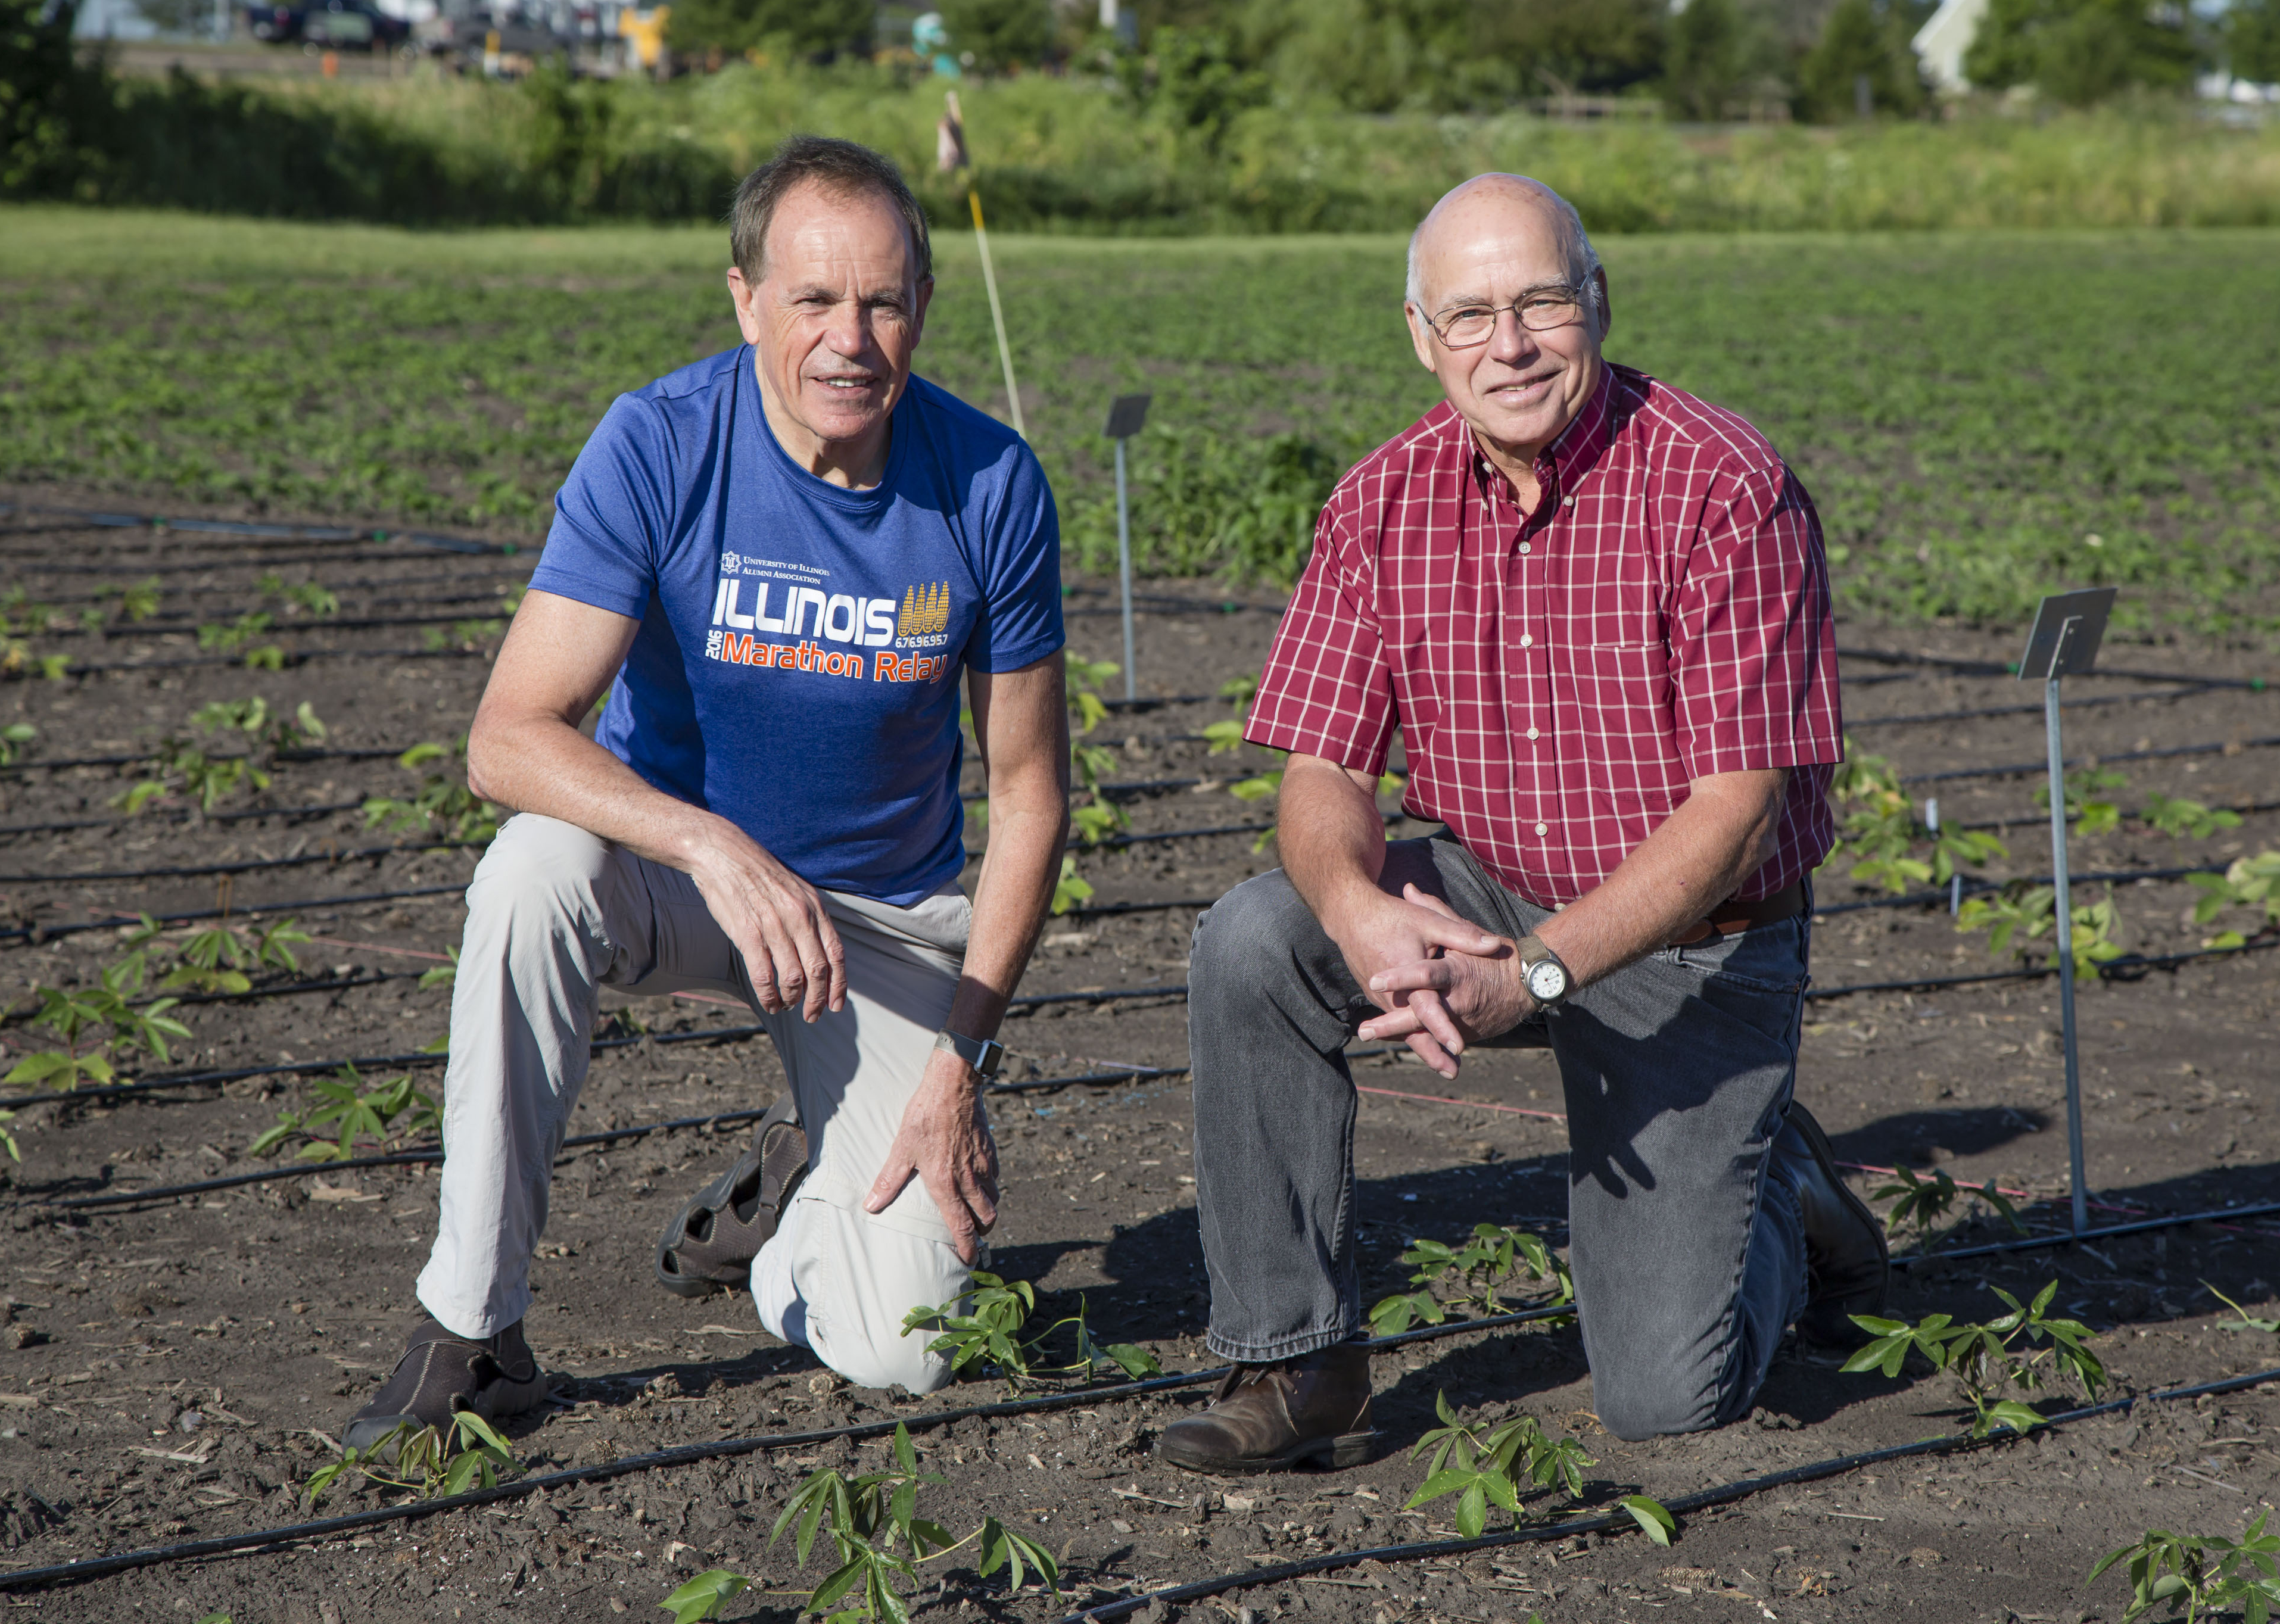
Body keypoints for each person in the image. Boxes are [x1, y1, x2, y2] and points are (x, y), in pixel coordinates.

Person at [341, 136, 1070, 1454]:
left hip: (884, 922)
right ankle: (475, 1325)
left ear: (923, 307)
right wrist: (710, 842)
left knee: (903, 1349)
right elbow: (508, 735)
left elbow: (1028, 798)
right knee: (529, 872)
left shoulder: (991, 483)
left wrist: (960, 1058)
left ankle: (791, 1212)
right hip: (684, 882)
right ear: (744, 300)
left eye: (885, 301)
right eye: (812, 299)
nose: (851, 338)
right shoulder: (663, 439)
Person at [1154, 173, 1886, 1473]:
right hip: (1493, 884)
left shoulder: (1724, 486)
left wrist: (1540, 970)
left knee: (1667, 1396)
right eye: (1472, 313)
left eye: (1543, 301)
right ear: (1420, 334)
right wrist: (1359, 905)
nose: (1512, 344)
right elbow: (1323, 768)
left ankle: (1780, 1178)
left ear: (1595, 300)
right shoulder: (1379, 502)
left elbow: (1735, 808)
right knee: (1255, 939)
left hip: (1693, 943)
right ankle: (1294, 1354)